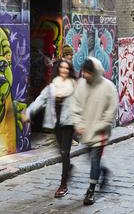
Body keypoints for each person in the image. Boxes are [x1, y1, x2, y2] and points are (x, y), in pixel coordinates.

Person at [23, 59, 77, 198]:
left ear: (69, 70)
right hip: (56, 123)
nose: (64, 70)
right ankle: (68, 167)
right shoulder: (52, 86)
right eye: (62, 68)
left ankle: (63, 184)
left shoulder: (75, 86)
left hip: (69, 123)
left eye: (67, 68)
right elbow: (40, 101)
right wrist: (28, 113)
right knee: (61, 151)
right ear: (58, 69)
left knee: (65, 152)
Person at [71, 57, 118, 205]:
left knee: (95, 160)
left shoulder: (108, 87)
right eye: (84, 72)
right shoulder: (80, 86)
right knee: (90, 159)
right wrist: (78, 124)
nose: (85, 75)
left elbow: (111, 111)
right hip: (85, 131)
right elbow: (75, 107)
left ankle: (90, 190)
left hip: (100, 132)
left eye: (88, 73)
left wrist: (99, 126)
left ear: (95, 72)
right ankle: (103, 171)